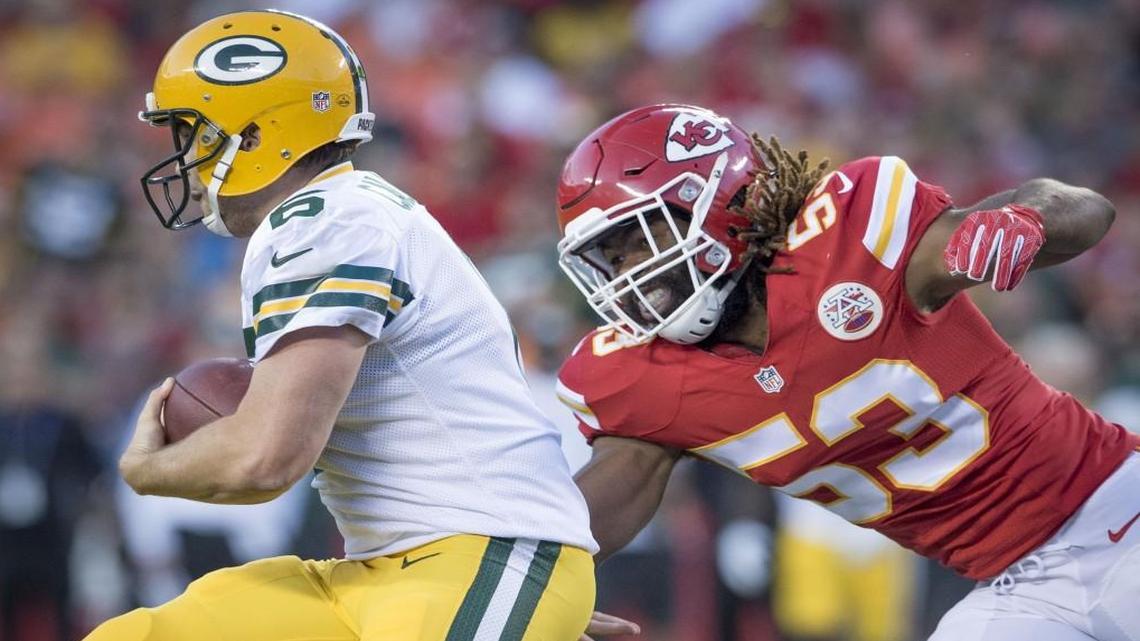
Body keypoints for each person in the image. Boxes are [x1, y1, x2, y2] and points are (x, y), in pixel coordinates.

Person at [88, 10, 597, 641]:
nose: (186, 158)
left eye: (195, 132)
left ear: (253, 134)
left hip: (475, 555)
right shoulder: (336, 214)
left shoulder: (328, 221)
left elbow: (265, 457)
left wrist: (147, 468)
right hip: (401, 569)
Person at [554, 104, 1140, 641]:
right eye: (612, 256)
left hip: (1117, 503)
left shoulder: (852, 241)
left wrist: (1027, 220)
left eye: (640, 238)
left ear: (722, 203)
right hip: (1023, 585)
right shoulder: (646, 378)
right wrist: (541, 595)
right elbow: (591, 514)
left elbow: (1087, 209)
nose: (629, 273)